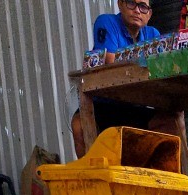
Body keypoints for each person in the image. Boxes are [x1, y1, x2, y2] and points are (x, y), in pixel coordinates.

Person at [70, 0, 164, 157]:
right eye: (131, 3)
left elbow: (161, 70)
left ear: (149, 14)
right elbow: (112, 61)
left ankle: (175, 179)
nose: (137, 11)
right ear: (120, 4)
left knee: (171, 122)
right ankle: (92, 179)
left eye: (143, 7)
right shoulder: (106, 22)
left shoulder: (153, 34)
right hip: (105, 104)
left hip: (137, 106)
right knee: (79, 125)